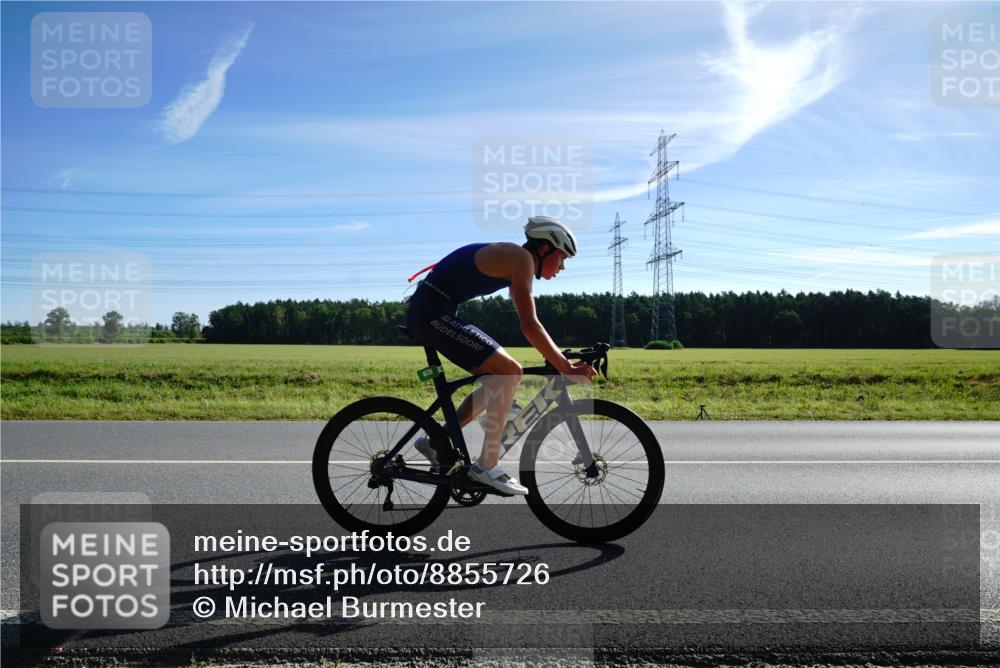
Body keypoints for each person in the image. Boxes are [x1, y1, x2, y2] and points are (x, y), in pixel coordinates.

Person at [405, 216, 596, 495]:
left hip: (435, 312)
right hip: (431, 315)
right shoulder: (522, 259)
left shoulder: (515, 259)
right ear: (544, 249)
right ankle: (486, 466)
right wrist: (564, 366)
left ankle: (438, 440)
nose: (563, 266)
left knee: (500, 378)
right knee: (509, 371)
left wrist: (559, 359)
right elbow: (530, 326)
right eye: (562, 257)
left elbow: (530, 321)